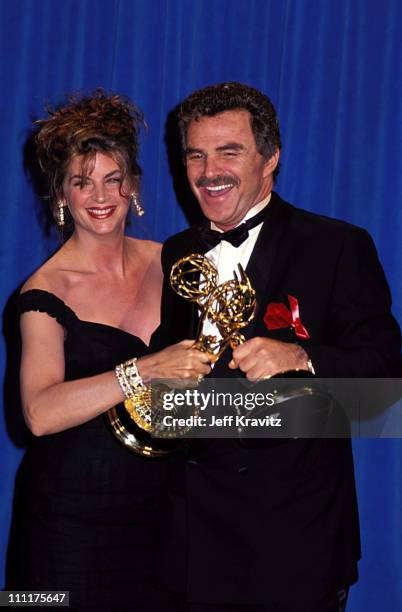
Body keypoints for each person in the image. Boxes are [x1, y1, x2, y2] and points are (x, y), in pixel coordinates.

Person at [153, 82, 402, 611]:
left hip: (292, 546)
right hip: (191, 545)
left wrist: (302, 358)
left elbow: (384, 390)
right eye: (195, 154)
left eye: (229, 151)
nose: (208, 170)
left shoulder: (336, 245)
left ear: (270, 159)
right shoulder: (175, 252)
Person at [10, 91, 210, 610]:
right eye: (82, 181)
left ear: (134, 186)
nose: (99, 195)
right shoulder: (42, 294)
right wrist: (142, 369)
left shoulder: (176, 261)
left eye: (112, 179)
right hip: (67, 528)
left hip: (167, 513)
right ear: (62, 193)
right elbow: (38, 413)